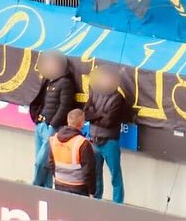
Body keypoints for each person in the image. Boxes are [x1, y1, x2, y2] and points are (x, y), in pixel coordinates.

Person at [30, 51, 77, 187]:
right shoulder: (48, 81)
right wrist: (37, 119)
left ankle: (35, 185)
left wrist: (53, 124)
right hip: (40, 124)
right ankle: (46, 189)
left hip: (53, 127)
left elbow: (64, 106)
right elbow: (42, 101)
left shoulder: (66, 83)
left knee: (41, 161)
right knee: (42, 162)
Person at [84, 65, 126, 203]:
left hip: (109, 142)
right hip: (94, 140)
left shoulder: (118, 98)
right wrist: (99, 115)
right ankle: (97, 201)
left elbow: (109, 121)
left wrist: (94, 115)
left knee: (115, 176)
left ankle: (117, 205)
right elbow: (86, 113)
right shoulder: (94, 92)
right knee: (96, 174)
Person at [47, 109, 96, 197]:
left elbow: (51, 163)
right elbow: (89, 170)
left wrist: (57, 178)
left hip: (59, 184)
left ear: (68, 121)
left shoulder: (54, 139)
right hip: (78, 188)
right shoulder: (82, 143)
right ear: (82, 123)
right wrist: (92, 191)